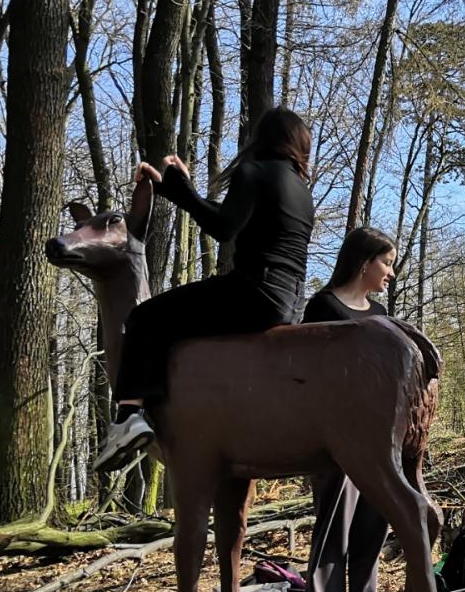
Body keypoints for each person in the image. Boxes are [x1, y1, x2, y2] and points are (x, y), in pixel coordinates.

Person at [93, 107, 316, 470]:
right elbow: (233, 216)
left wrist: (186, 192)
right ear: (298, 144)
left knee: (145, 317)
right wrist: (180, 194)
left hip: (253, 293)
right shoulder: (299, 189)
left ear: (259, 138)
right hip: (289, 303)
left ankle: (129, 416)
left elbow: (224, 228)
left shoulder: (253, 171)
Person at [298, 227, 399, 592]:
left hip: (377, 442)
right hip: (335, 441)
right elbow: (303, 374)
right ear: (364, 262)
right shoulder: (323, 306)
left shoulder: (379, 313)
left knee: (371, 534)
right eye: (387, 263)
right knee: (333, 531)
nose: (391, 273)